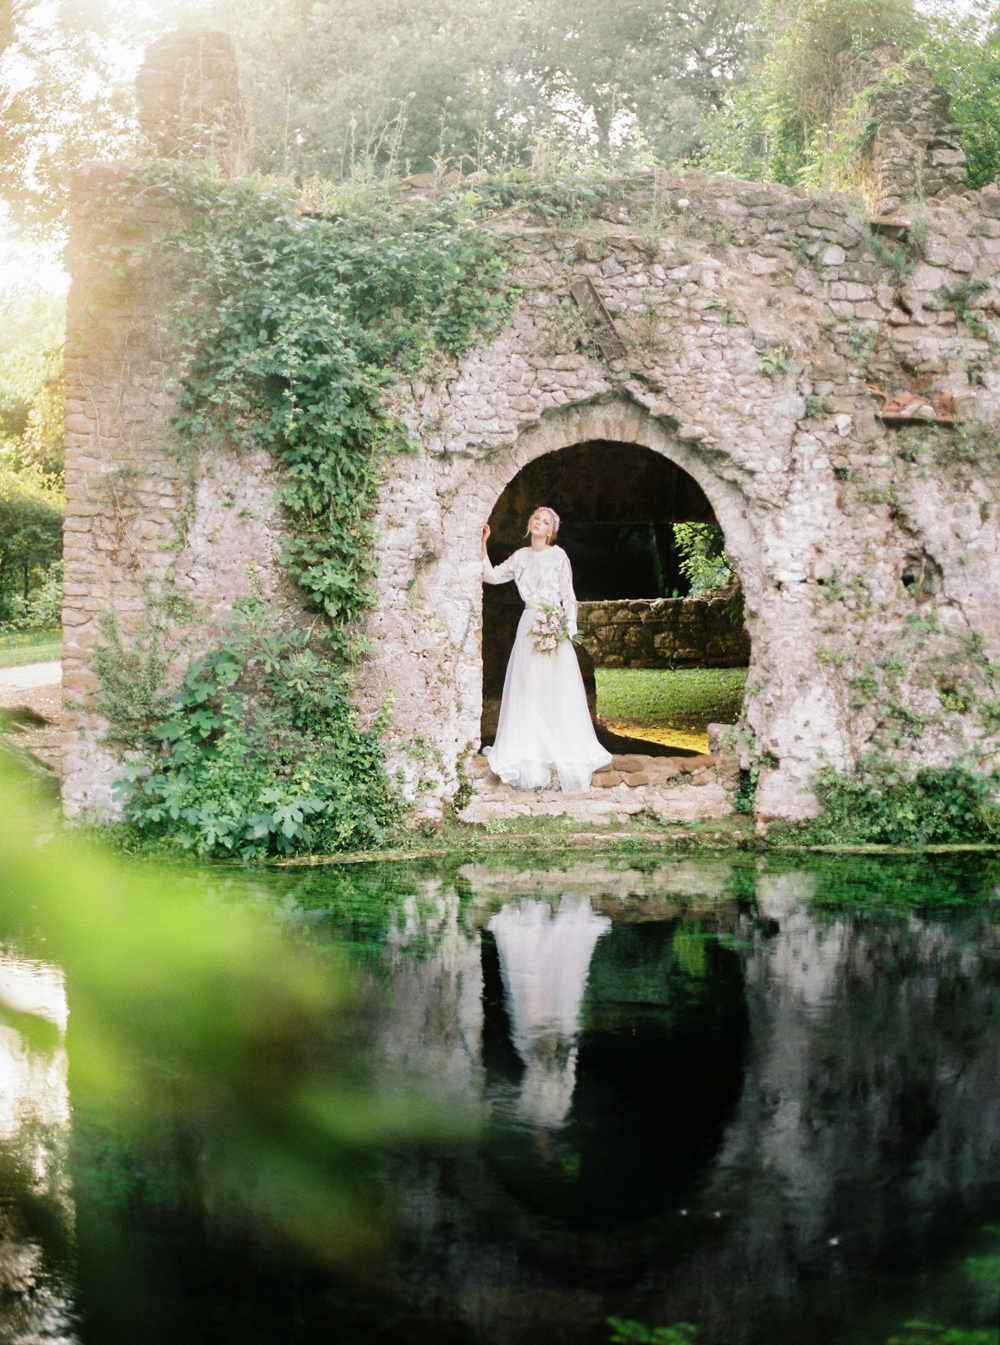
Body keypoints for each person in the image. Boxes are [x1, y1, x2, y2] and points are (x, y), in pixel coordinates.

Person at [481, 506, 612, 793]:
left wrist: (567, 626)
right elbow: (490, 577)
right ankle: (531, 747)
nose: (539, 524)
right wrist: (483, 544)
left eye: (545, 522)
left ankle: (557, 744)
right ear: (530, 524)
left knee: (554, 685)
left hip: (554, 624)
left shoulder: (558, 556)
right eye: (536, 519)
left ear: (551, 530)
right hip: (529, 623)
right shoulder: (521, 557)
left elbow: (568, 594)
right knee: (527, 685)